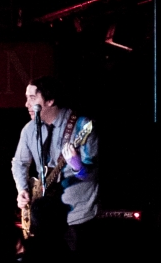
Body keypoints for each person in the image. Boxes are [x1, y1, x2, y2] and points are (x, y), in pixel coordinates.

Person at [11, 75, 99, 252]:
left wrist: (78, 166)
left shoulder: (81, 126)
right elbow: (19, 163)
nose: (26, 104)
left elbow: (92, 175)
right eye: (26, 98)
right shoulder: (29, 130)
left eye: (32, 98)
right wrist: (22, 189)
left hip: (75, 217)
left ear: (50, 100)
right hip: (44, 220)